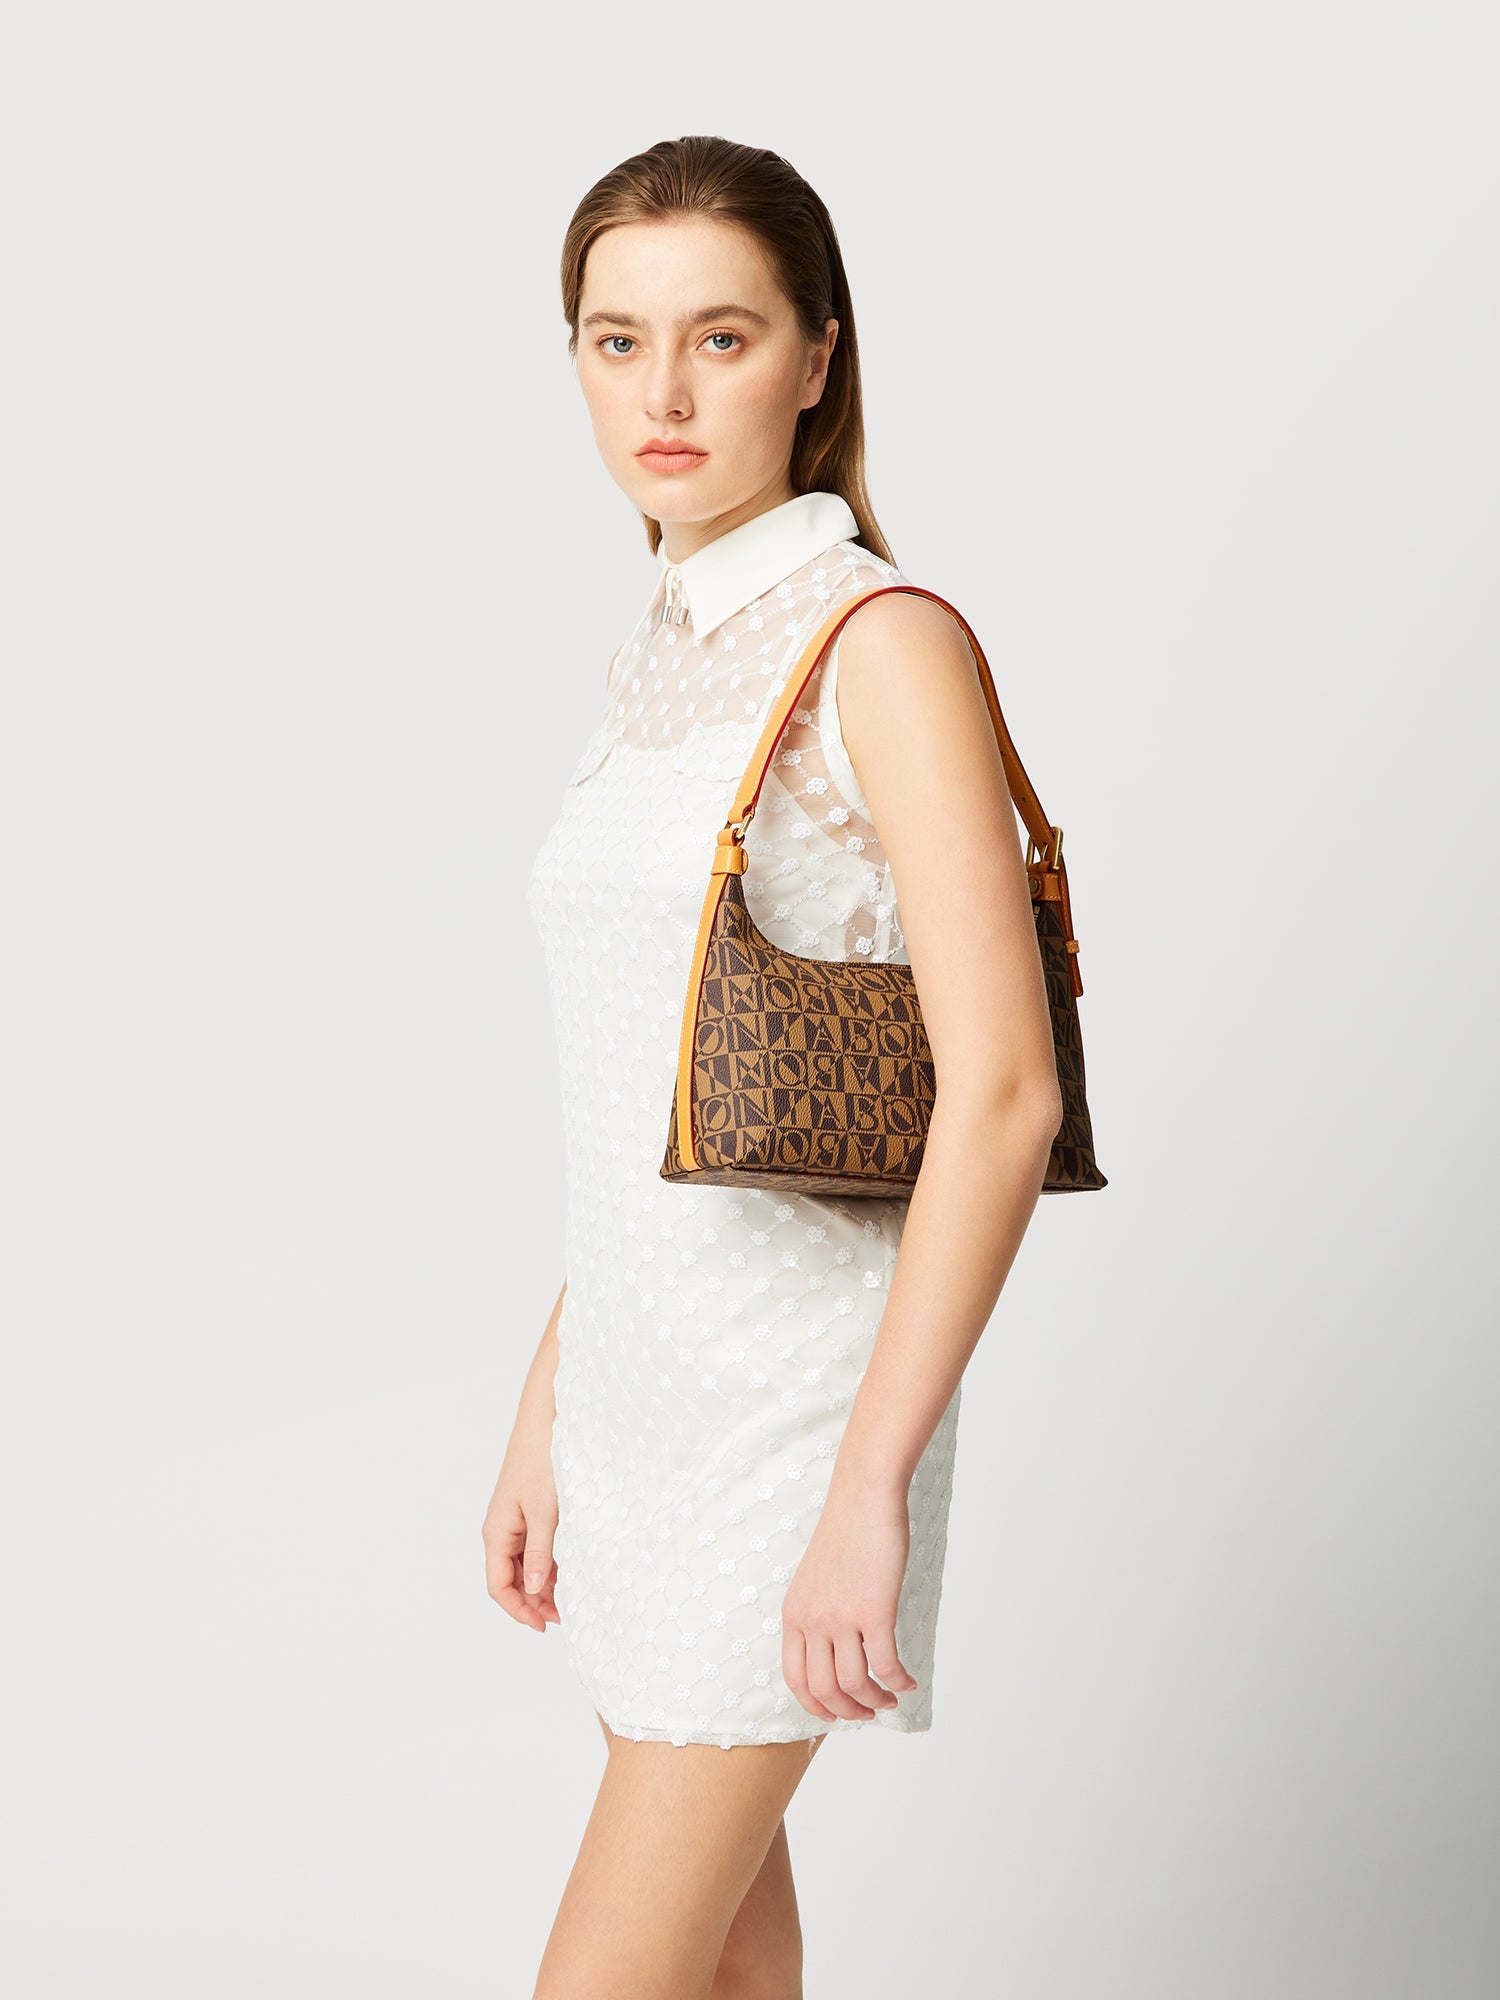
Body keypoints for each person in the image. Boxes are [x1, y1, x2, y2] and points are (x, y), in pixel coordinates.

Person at [483, 134, 1065, 2000]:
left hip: (791, 1422)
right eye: (617, 340)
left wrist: (866, 1487)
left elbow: (1003, 1094)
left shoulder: (874, 643)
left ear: (817, 357)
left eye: (719, 338)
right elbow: (659, 1089)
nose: (662, 393)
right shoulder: (663, 654)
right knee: (728, 1969)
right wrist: (549, 1403)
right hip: (640, 1399)